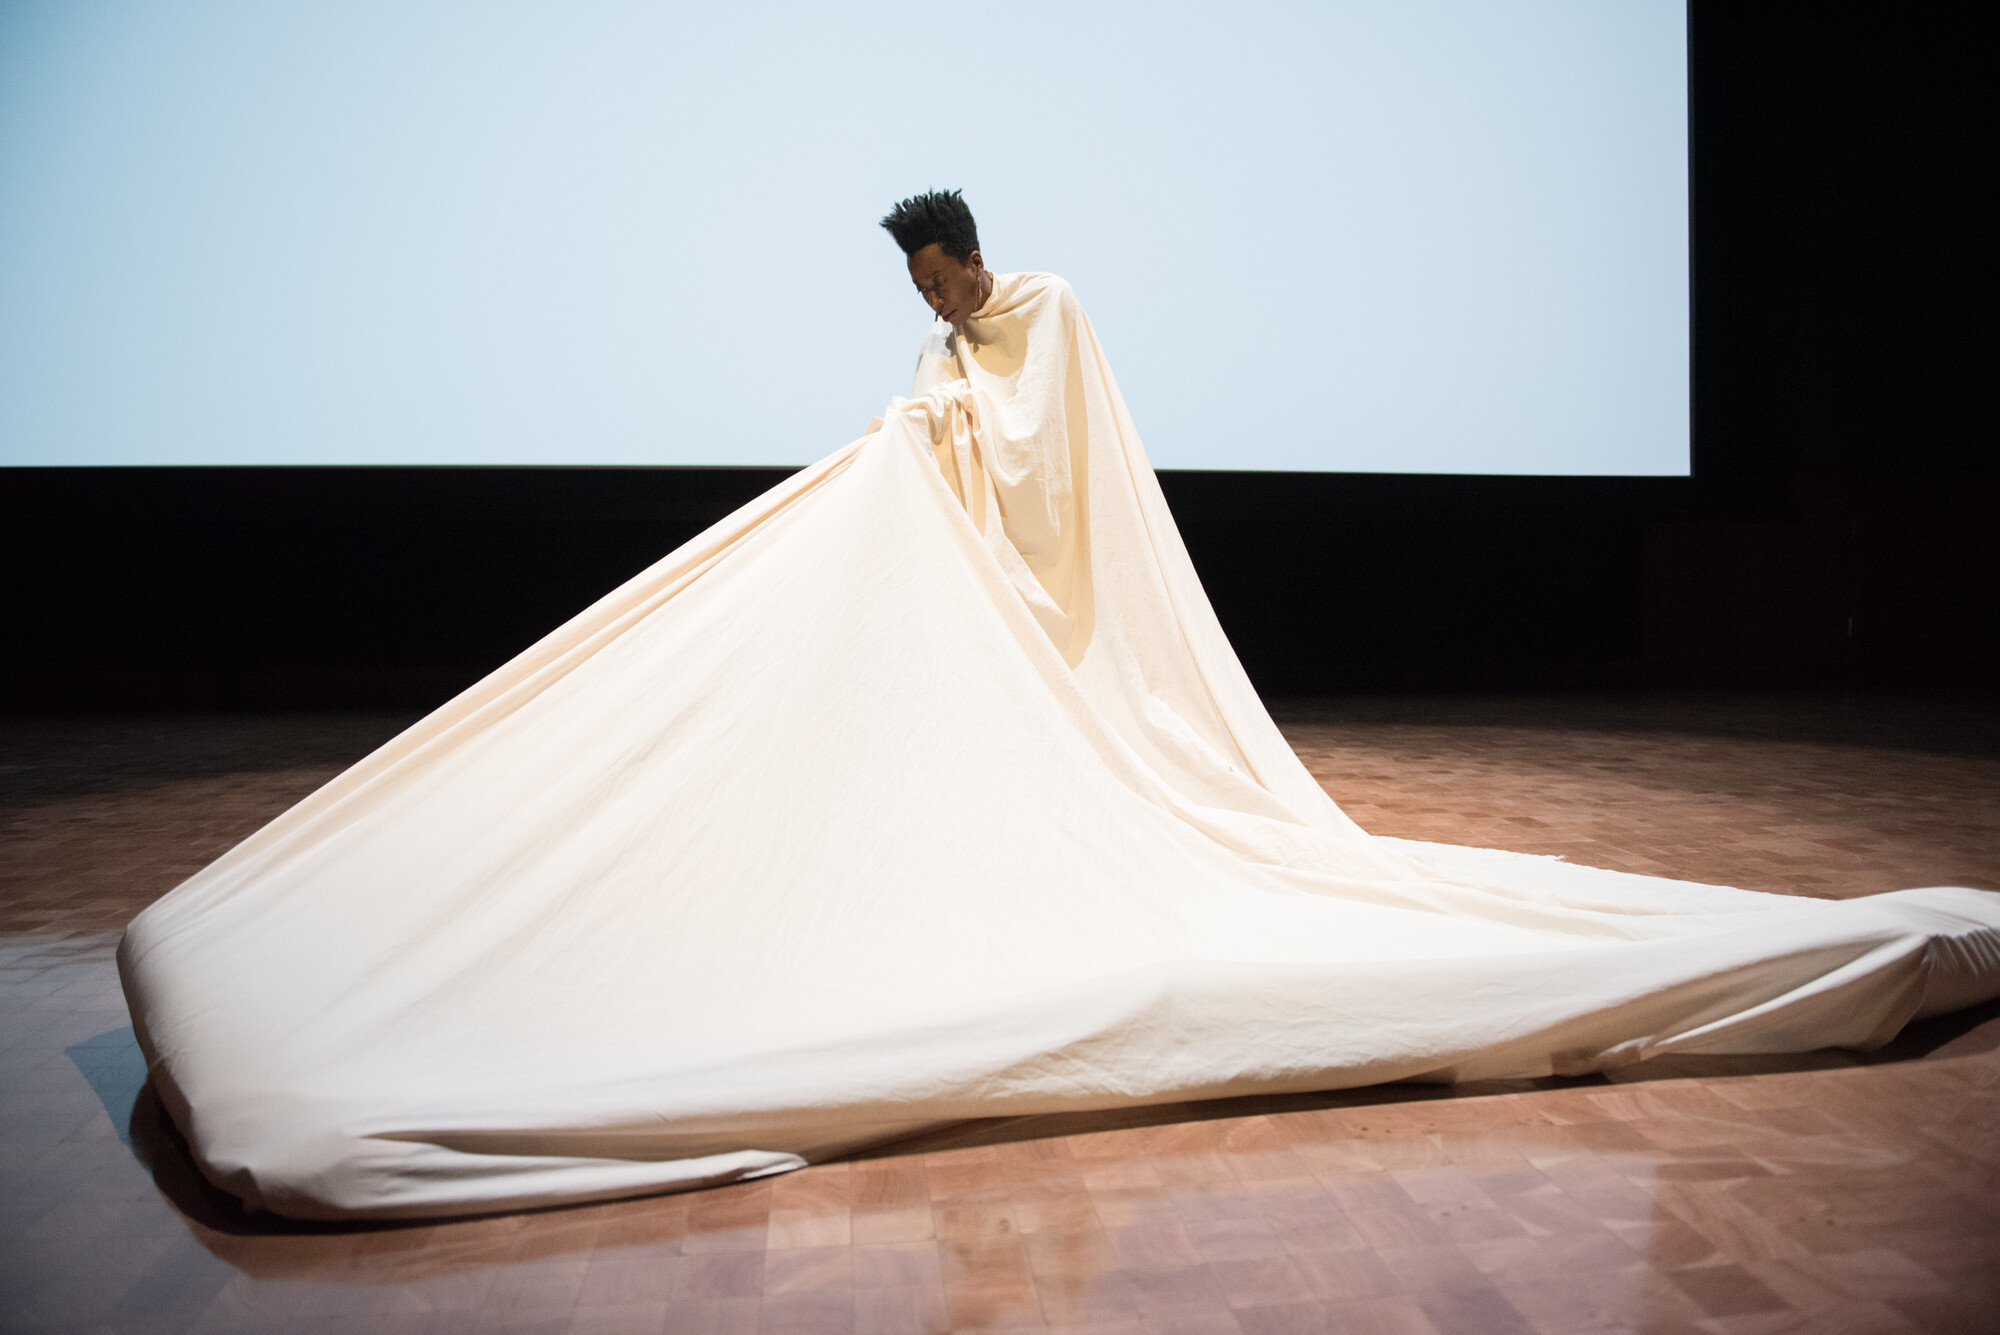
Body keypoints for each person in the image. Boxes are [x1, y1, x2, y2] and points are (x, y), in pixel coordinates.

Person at [117, 190, 2000, 1221]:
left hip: (1051, 607)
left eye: (936, 276)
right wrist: (906, 435)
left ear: (966, 250)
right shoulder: (944, 346)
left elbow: (1043, 449)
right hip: (974, 604)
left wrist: (949, 429)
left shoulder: (1053, 308)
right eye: (920, 291)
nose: (933, 304)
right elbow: (947, 436)